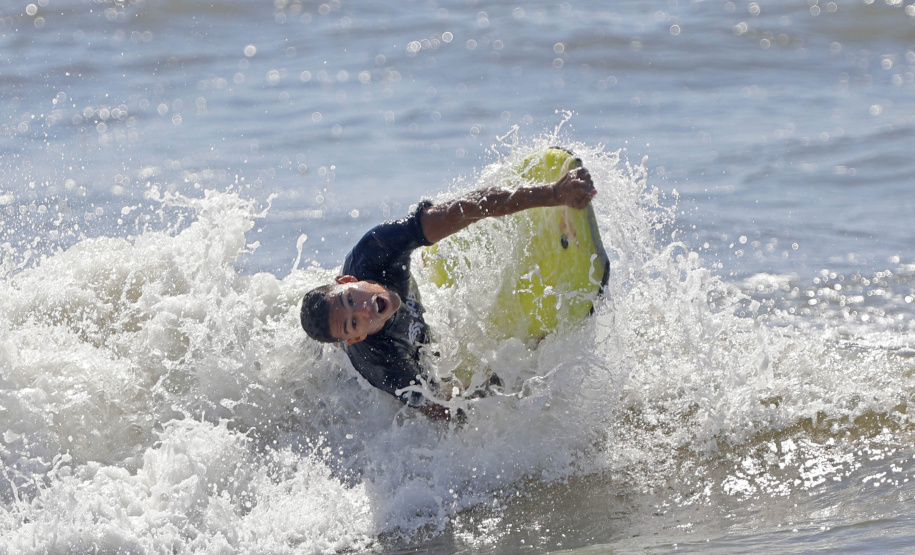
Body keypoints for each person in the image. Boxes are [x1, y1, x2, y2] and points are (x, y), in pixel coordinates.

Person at [300, 164, 596, 419]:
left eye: (351, 298)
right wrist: (520, 370)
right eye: (354, 322)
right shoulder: (383, 363)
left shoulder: (378, 249)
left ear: (348, 280)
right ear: (357, 337)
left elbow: (470, 208)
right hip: (360, 377)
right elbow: (445, 412)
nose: (364, 309)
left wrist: (554, 194)